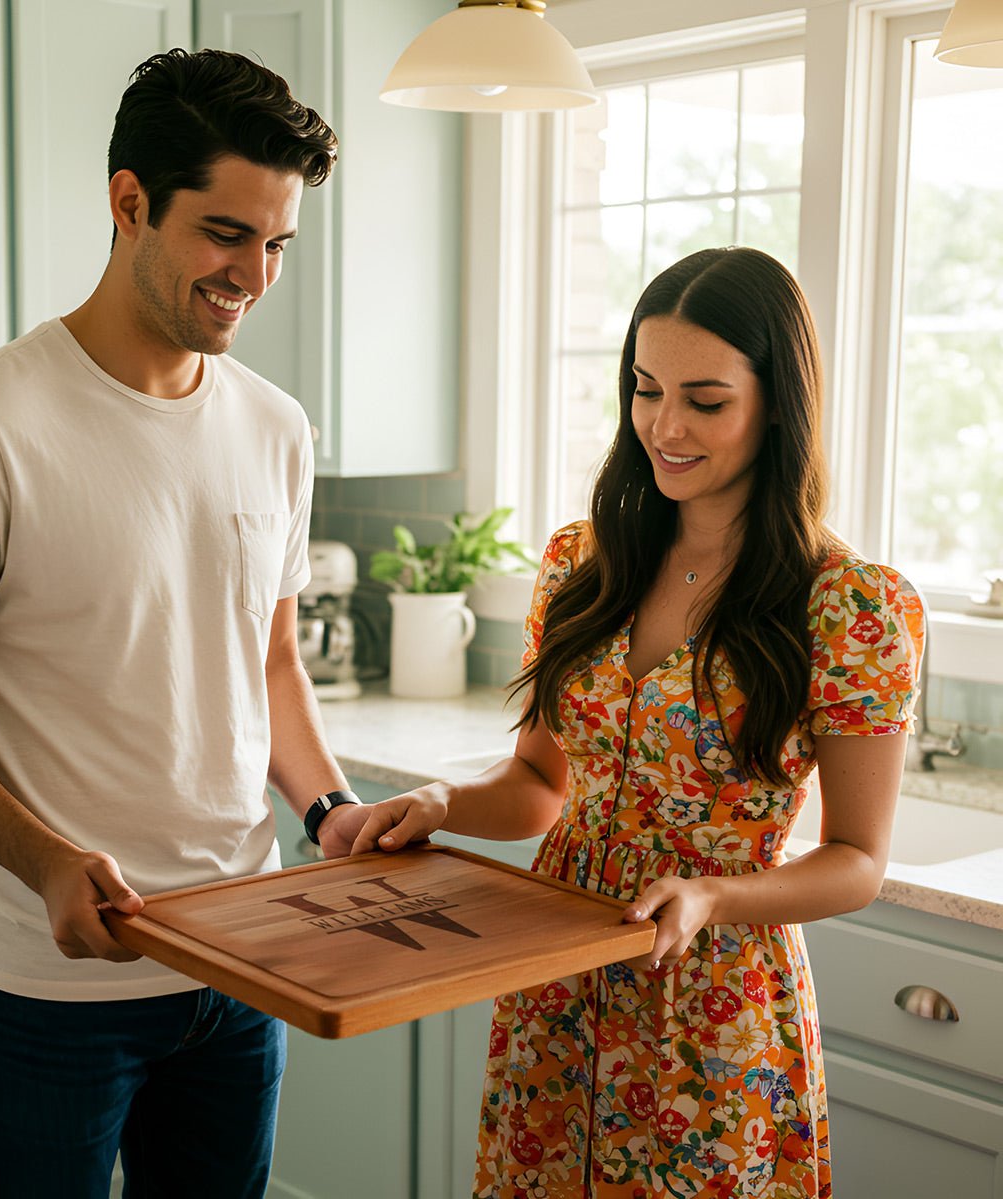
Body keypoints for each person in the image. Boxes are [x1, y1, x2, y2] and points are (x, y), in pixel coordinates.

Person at [0, 48, 371, 1199]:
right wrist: (45, 858)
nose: (256, 273)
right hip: (50, 986)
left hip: (239, 959)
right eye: (227, 233)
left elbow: (271, 663)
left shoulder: (276, 427)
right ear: (129, 201)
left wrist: (329, 808)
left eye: (279, 243)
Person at [350, 247, 924, 1198]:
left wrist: (710, 895)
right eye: (646, 388)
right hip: (557, 983)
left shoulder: (849, 603)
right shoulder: (583, 560)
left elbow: (858, 859)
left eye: (706, 399)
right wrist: (442, 801)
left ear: (778, 402)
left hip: (715, 1002)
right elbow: (540, 785)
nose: (665, 425)